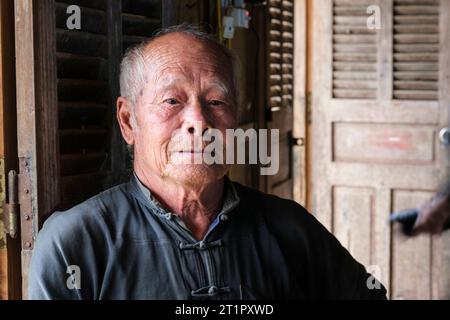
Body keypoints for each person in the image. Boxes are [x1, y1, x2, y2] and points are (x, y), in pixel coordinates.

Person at [28, 25, 386, 299]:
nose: (199, 121)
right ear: (128, 121)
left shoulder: (290, 229)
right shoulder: (75, 243)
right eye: (172, 101)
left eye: (216, 101)